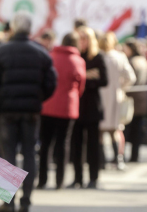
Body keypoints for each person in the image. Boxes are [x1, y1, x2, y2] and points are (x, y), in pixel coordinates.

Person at [0, 11, 57, 212]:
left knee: (8, 156)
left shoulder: (0, 51)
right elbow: (51, 83)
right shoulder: (40, 52)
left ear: (12, 28)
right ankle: (26, 201)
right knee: (30, 153)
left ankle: (8, 202)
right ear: (30, 29)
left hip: (7, 111)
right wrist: (37, 98)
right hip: (30, 111)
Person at [37, 32, 86, 190]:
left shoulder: (50, 56)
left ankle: (42, 179)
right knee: (63, 144)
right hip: (68, 106)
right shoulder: (78, 61)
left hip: (48, 105)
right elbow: (81, 86)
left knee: (45, 144)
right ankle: (59, 180)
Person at [68, 26, 108, 189]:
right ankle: (77, 178)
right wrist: (88, 75)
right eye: (80, 38)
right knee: (76, 145)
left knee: (92, 145)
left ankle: (93, 178)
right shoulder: (75, 56)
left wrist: (85, 79)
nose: (82, 41)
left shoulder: (98, 57)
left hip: (92, 106)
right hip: (77, 106)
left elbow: (104, 80)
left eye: (85, 38)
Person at [99, 32, 136, 170]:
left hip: (101, 96)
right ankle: (117, 159)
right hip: (115, 95)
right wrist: (121, 87)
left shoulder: (98, 57)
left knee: (101, 131)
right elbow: (130, 77)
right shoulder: (119, 57)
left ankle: (102, 160)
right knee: (114, 130)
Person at [123, 38, 147, 162]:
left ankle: (122, 155)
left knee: (128, 130)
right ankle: (135, 155)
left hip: (132, 99)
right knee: (137, 130)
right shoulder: (143, 61)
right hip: (143, 99)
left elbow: (130, 80)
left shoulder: (132, 61)